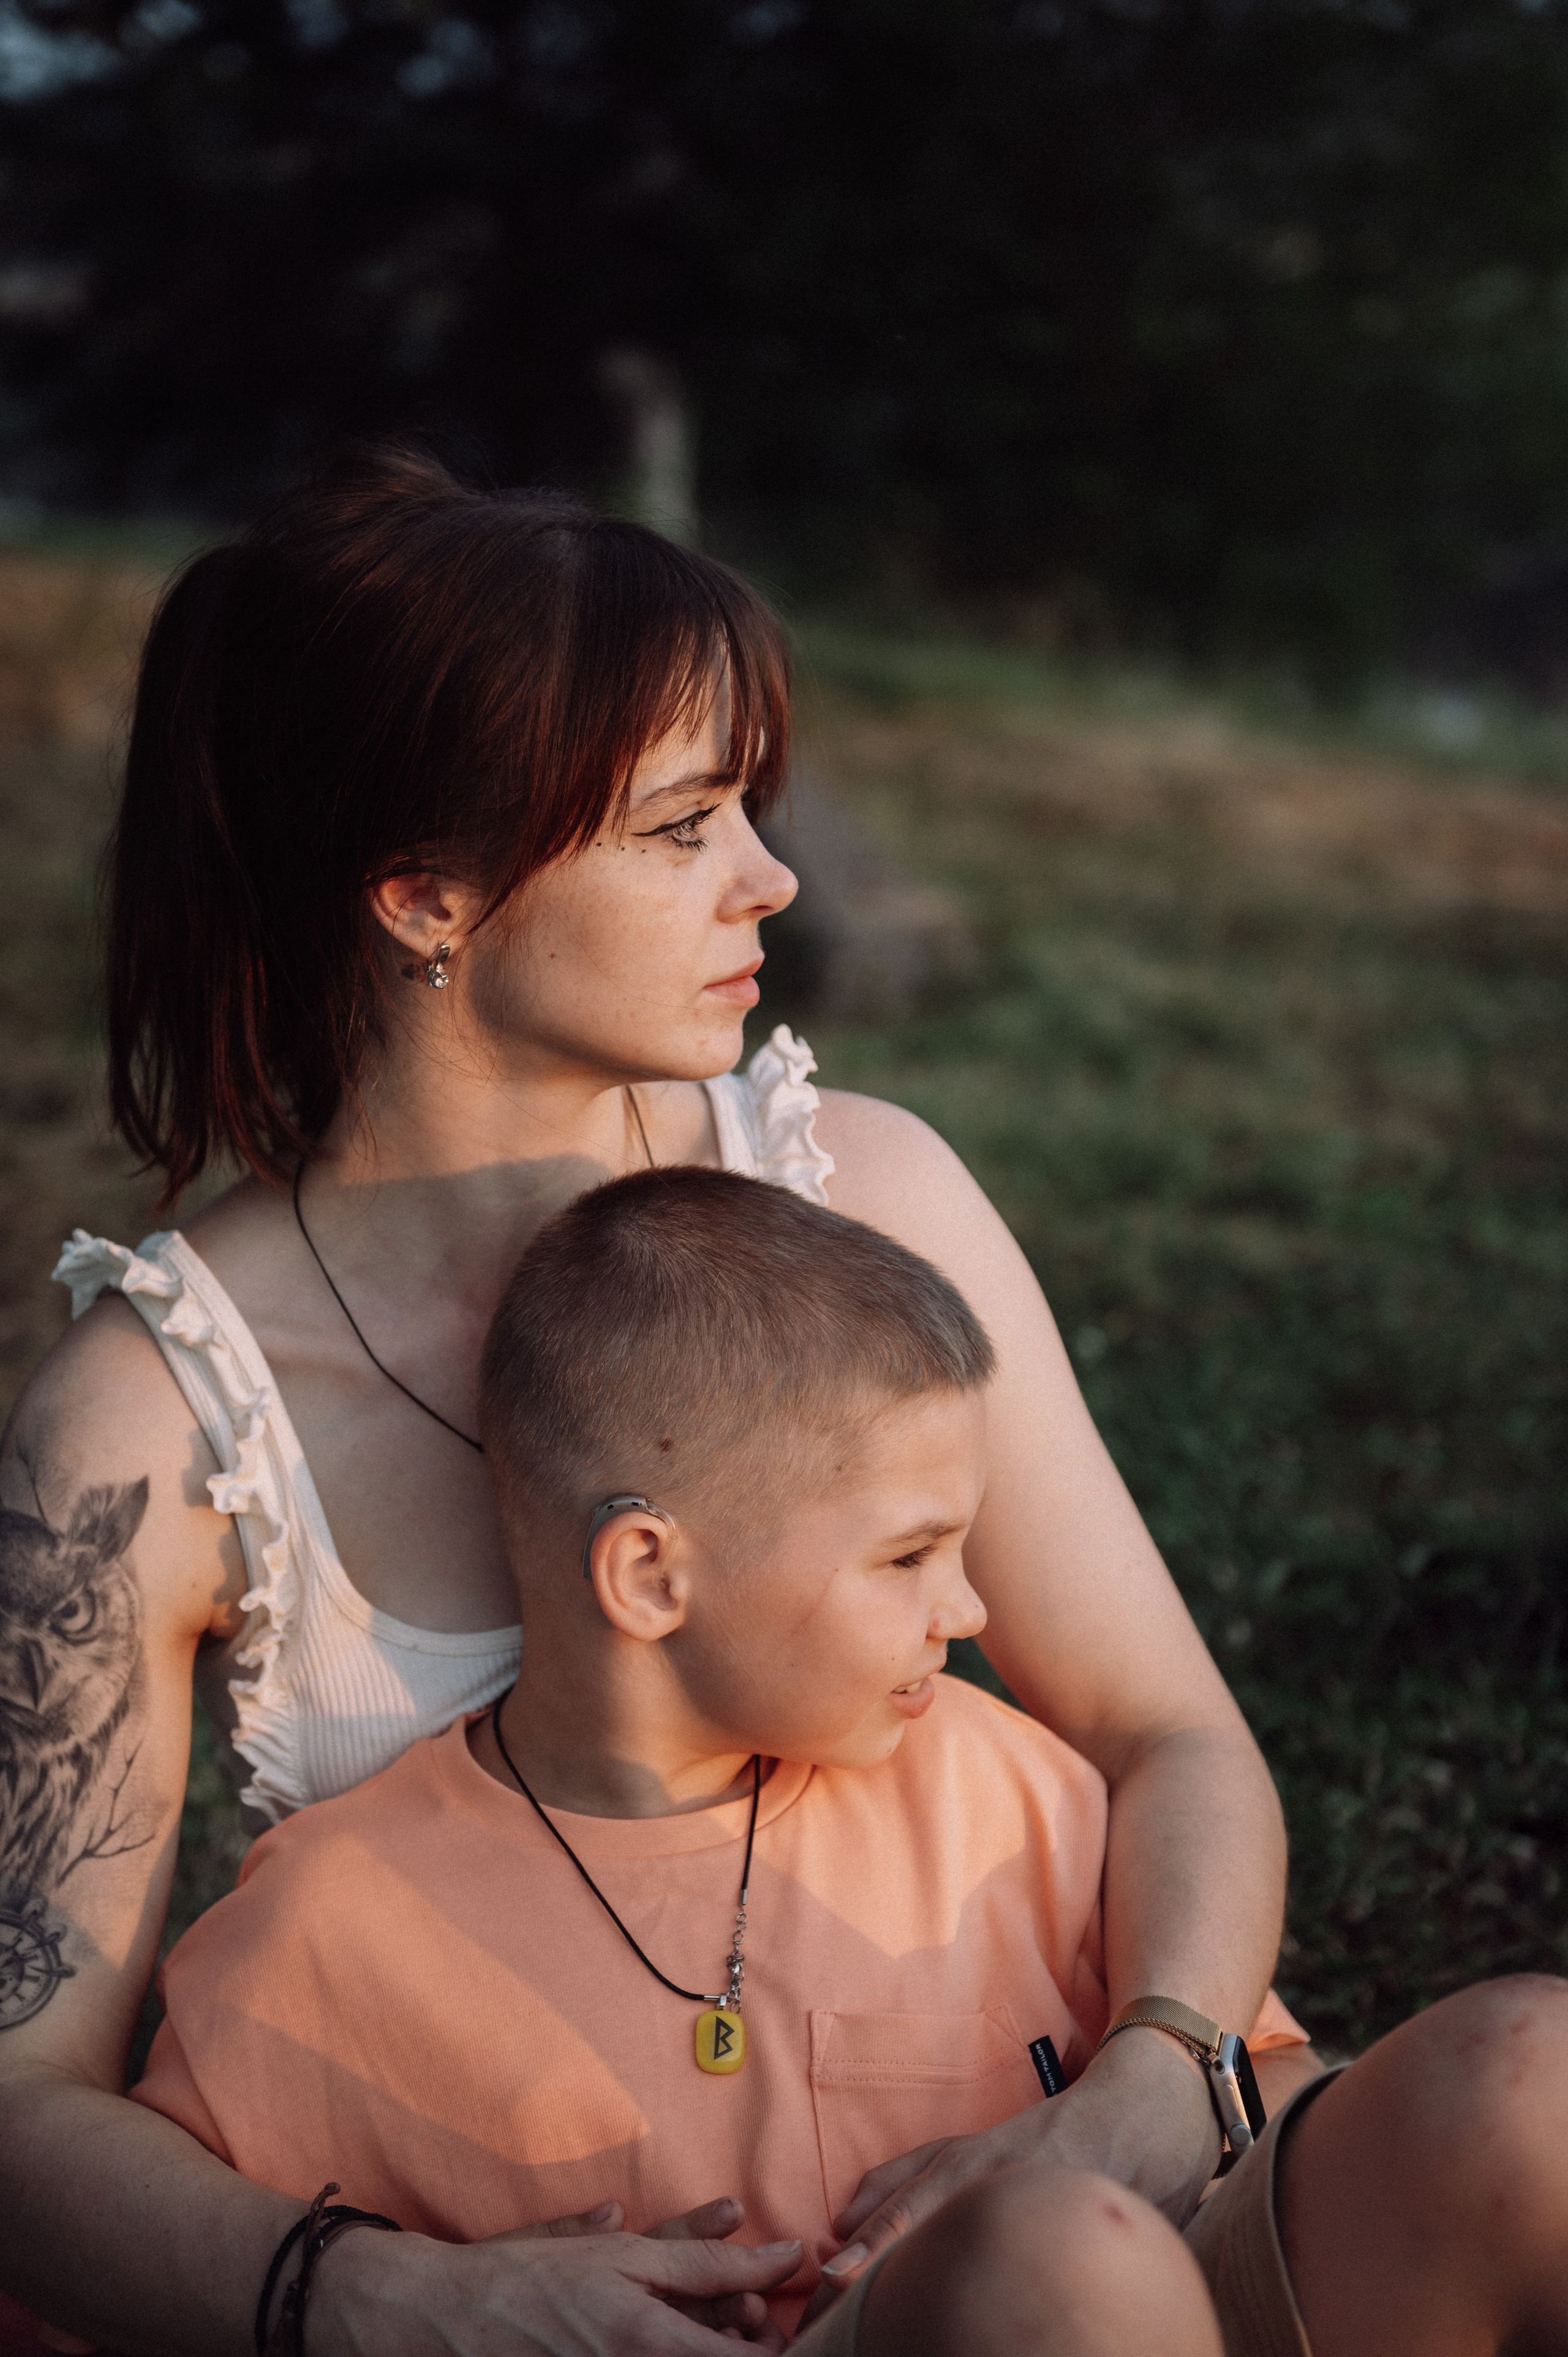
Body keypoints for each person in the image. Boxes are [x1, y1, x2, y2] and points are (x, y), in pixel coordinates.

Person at [1, 447, 1289, 2356]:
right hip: (568, 2284)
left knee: (1533, 2097)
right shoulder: (160, 1429)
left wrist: (1155, 2079)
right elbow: (18, 2104)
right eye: (683, 829)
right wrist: (403, 2305)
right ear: (428, 897)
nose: (771, 877)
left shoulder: (867, 1193)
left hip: (1030, 2214)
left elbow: (1170, 1735)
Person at [132, 1169, 1568, 2357]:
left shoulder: (1008, 1794)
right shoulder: (320, 1938)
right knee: (1060, 2264)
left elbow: (1267, 2087)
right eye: (907, 1555)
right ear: (647, 1573)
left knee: (1529, 2068)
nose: (972, 1610)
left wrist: (1153, 2099)